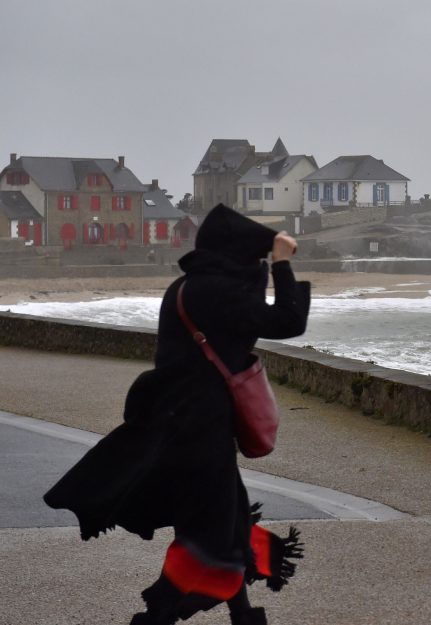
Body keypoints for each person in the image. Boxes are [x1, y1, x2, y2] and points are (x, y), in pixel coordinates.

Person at [44, 204, 311, 625]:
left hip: (177, 422)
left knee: (228, 517)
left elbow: (235, 331)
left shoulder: (185, 287)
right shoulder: (219, 292)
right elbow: (290, 321)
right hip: (200, 431)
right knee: (211, 531)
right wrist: (279, 264)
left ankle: (242, 615)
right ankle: (159, 614)